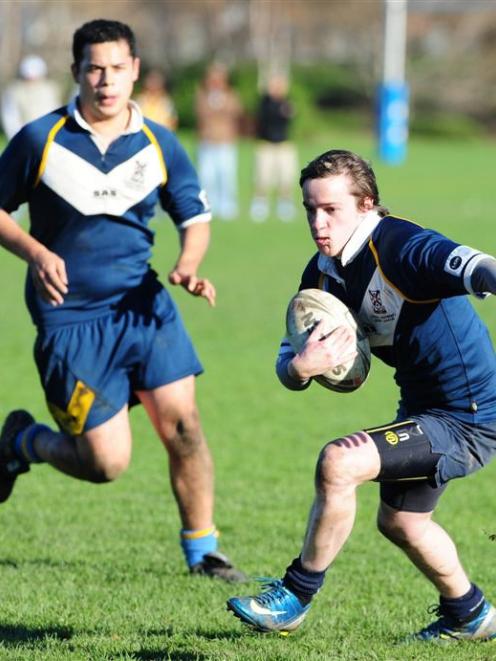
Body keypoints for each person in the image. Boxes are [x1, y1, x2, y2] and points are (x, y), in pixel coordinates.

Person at [0, 19, 244, 583]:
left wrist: (188, 265)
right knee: (104, 464)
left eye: (116, 68)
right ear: (76, 72)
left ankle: (204, 551)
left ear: (134, 70)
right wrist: (35, 253)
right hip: (70, 320)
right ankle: (22, 441)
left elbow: (195, 217)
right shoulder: (42, 139)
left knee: (184, 426)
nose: (106, 81)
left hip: (144, 308)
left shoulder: (160, 143)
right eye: (94, 69)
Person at [228, 149, 496, 640]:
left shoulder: (402, 247)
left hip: (471, 416)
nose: (317, 222)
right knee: (402, 523)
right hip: (423, 408)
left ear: (367, 205)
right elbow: (286, 365)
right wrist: (300, 368)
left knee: (339, 462)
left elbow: (478, 266)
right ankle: (472, 616)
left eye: (331, 209)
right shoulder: (323, 274)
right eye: (310, 208)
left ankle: (295, 596)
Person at [195, 63, 242, 221]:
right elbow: (201, 113)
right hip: (207, 143)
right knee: (207, 176)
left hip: (225, 143)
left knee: (226, 176)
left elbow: (236, 112)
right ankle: (209, 205)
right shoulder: (202, 95)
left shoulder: (231, 95)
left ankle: (227, 206)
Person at [250, 74, 298, 223]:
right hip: (266, 144)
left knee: (285, 177)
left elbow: (289, 117)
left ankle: (284, 205)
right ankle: (260, 204)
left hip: (283, 144)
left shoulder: (287, 103)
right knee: (263, 177)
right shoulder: (264, 103)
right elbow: (263, 118)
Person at [1, 54, 62, 139]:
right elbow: (11, 117)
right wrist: (17, 136)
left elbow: (55, 111)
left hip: (47, 136)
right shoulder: (14, 91)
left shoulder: (49, 89)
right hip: (23, 136)